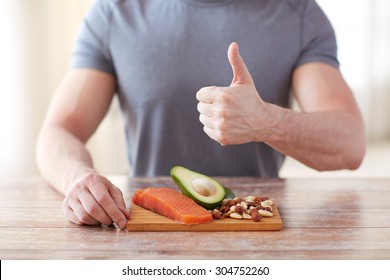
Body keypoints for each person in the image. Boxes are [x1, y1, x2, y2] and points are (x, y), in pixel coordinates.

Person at [36, 0, 366, 229]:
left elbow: (350, 144)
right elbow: (61, 130)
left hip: (252, 227)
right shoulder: (113, 12)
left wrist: (266, 121)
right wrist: (76, 179)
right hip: (147, 226)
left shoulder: (299, 14)